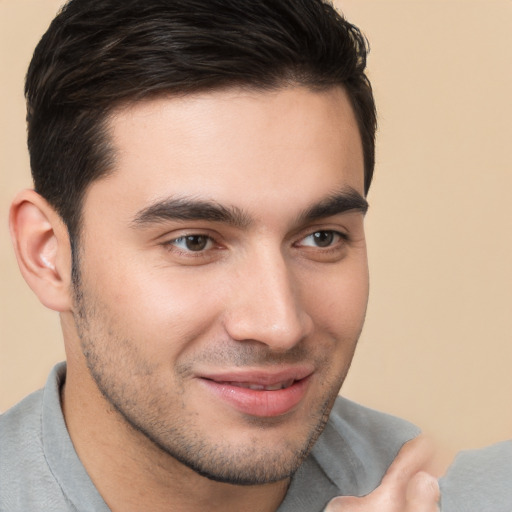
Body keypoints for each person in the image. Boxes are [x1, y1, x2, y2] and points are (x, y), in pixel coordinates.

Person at [0, 0, 459, 510]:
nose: (280, 325)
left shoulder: (460, 490)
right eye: (194, 242)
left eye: (321, 238)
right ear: (48, 254)